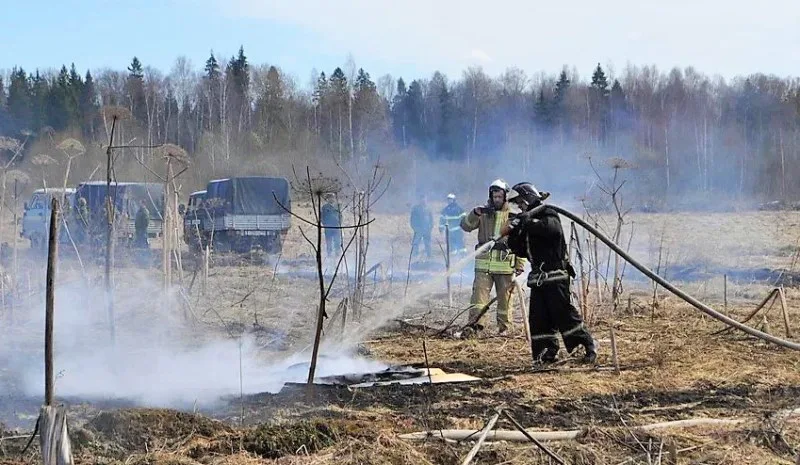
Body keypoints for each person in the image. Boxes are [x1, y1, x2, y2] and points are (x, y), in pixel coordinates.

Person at [503, 182, 597, 364]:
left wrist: (526, 221)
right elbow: (522, 249)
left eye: (521, 202)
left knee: (563, 314)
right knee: (539, 319)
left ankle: (585, 348)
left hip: (555, 275)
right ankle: (544, 355)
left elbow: (551, 229)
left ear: (529, 198)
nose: (520, 206)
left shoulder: (547, 213)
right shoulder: (527, 221)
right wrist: (513, 233)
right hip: (538, 279)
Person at [460, 179, 526, 335]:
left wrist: (520, 264)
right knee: (478, 298)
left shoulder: (513, 216)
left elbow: (522, 241)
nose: (496, 200)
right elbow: (465, 226)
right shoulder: (483, 213)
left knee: (505, 300)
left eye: (499, 197)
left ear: (505, 197)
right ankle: (475, 327)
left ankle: (504, 328)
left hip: (504, 265)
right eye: (494, 196)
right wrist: (474, 213)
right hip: (483, 265)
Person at [410, 195, 433, 260]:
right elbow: (412, 220)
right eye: (422, 199)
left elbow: (431, 219)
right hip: (418, 230)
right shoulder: (415, 209)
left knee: (427, 243)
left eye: (425, 199)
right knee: (416, 243)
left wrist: (430, 227)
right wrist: (415, 228)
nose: (423, 201)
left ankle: (429, 255)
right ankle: (414, 255)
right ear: (419, 200)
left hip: (427, 230)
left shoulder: (428, 209)